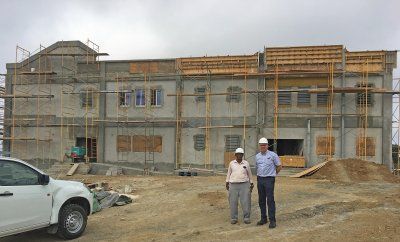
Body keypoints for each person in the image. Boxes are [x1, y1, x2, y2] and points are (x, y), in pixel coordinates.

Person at [255, 137, 282, 229]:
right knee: (261, 200)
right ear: (259, 146)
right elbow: (257, 167)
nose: (262, 146)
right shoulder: (257, 156)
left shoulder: (273, 155)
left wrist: (273, 174)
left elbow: (279, 166)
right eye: (261, 145)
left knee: (270, 200)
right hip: (260, 179)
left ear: (267, 145)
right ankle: (263, 218)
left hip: (269, 180)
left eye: (264, 145)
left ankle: (272, 220)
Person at [225, 147, 254, 224]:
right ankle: (234, 218)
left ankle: (246, 217)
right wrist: (227, 182)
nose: (239, 156)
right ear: (235, 155)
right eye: (238, 154)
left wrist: (251, 183)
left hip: (244, 185)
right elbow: (229, 173)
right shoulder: (231, 163)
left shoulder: (246, 163)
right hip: (233, 185)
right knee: (233, 202)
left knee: (246, 202)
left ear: (243, 155)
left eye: (241, 154)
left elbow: (249, 174)